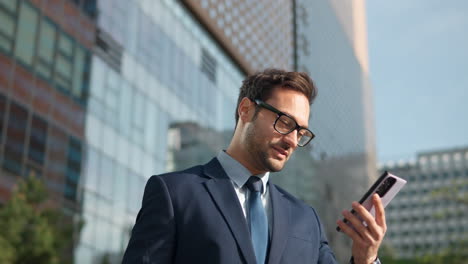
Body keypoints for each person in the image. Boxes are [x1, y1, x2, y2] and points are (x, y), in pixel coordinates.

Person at [122, 69, 386, 264]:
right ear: (246, 110)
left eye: (301, 132)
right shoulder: (174, 193)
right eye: (285, 123)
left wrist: (366, 257)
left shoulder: (307, 220)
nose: (293, 140)